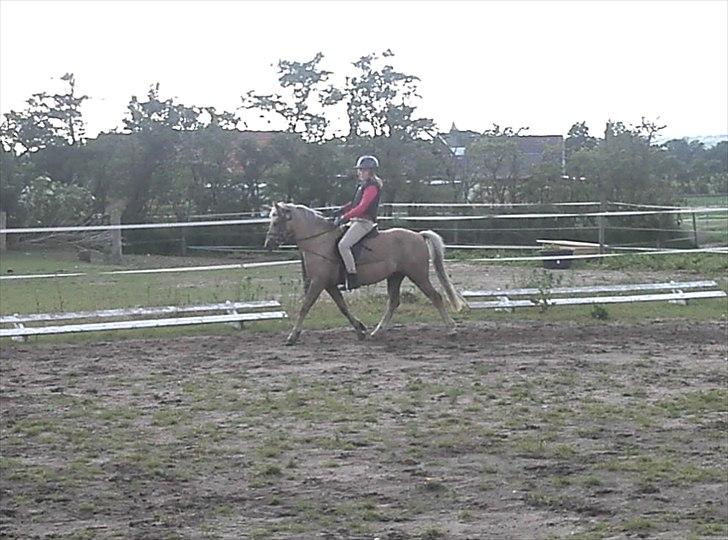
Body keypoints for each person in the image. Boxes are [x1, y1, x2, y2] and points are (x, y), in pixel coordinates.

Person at [333, 155, 383, 291]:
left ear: (370, 171)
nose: (359, 172)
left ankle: (352, 277)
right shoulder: (363, 186)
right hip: (356, 220)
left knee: (343, 245)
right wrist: (341, 210)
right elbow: (354, 203)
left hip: (364, 222)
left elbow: (362, 207)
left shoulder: (372, 187)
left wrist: (344, 217)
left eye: (363, 170)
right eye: (359, 170)